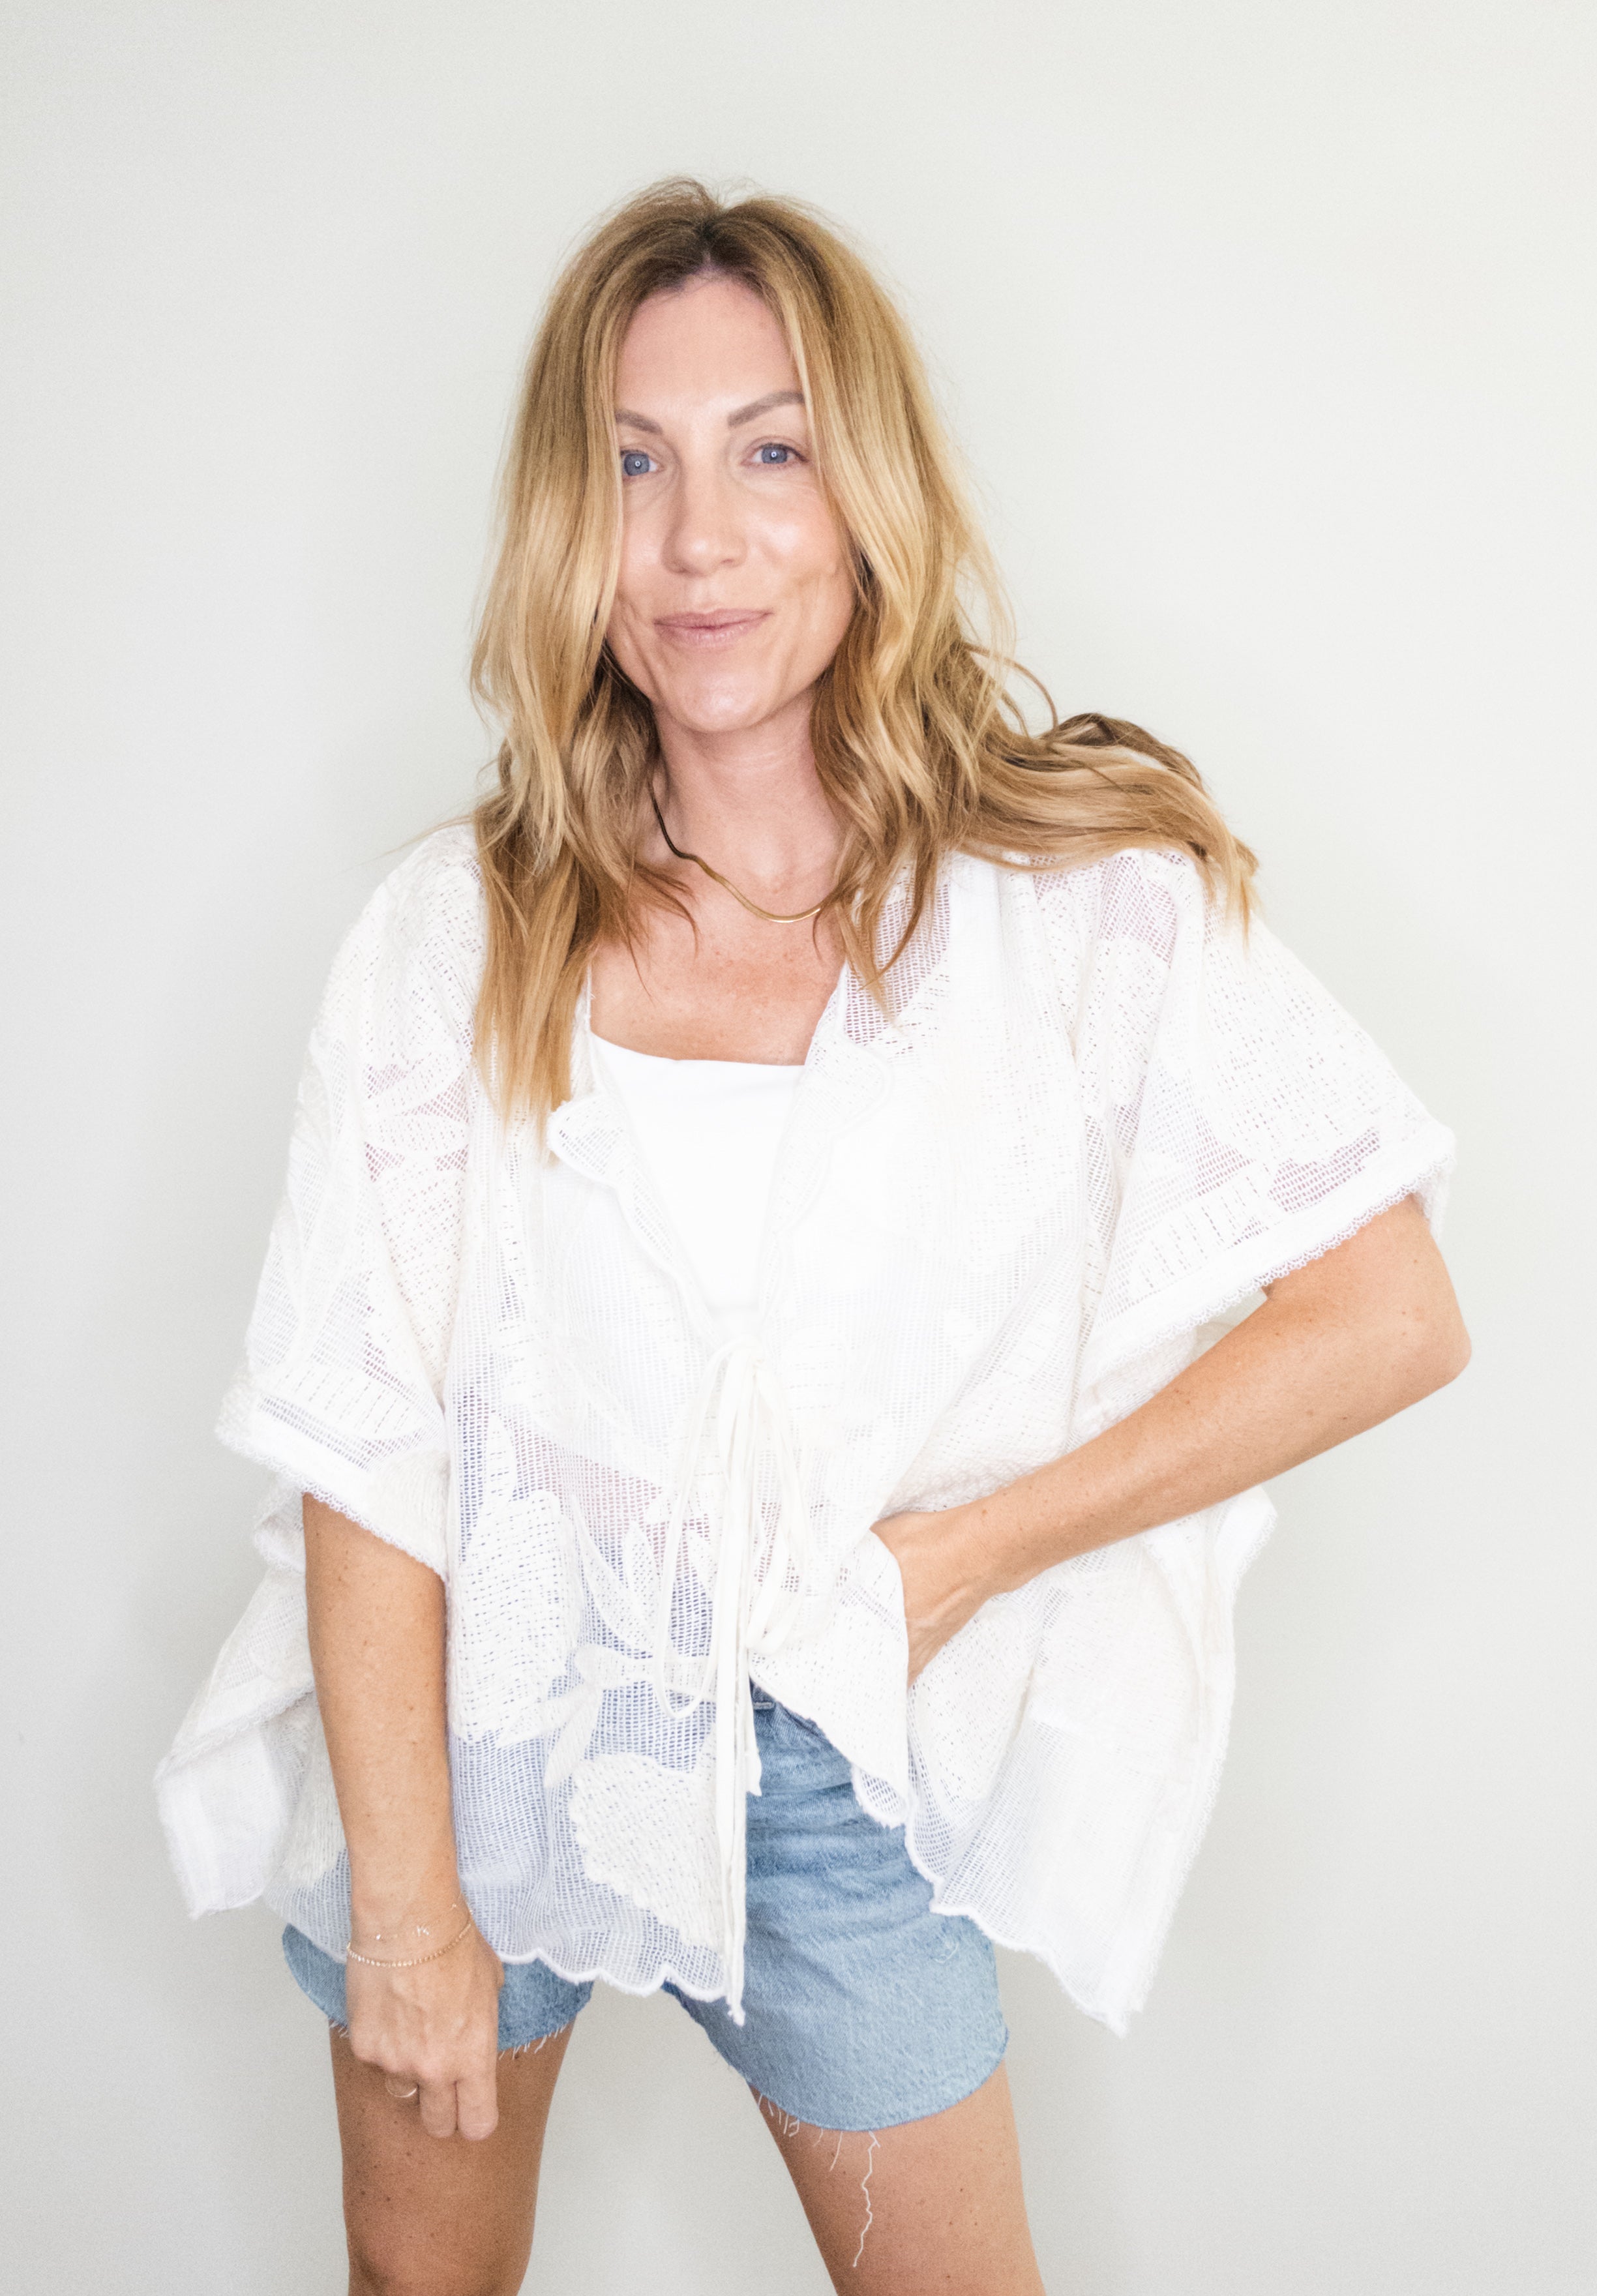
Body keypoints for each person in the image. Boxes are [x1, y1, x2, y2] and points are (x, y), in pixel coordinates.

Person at [157, 179, 1469, 2296]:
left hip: (836, 1741)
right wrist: (406, 1904)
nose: (697, 540)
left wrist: (958, 1556)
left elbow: (1385, 1309)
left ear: (866, 497)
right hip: (480, 1720)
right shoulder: (449, 936)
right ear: (565, 526)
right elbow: (364, 1435)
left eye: (768, 453)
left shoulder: (1073, 906)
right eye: (632, 463)